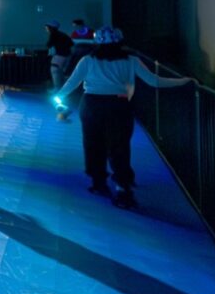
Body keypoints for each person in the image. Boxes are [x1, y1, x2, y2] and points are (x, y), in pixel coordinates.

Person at [53, 26, 193, 207]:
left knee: (93, 144)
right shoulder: (132, 61)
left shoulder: (87, 61)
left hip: (92, 105)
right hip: (119, 106)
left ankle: (98, 182)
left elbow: (72, 83)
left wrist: (59, 97)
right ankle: (122, 188)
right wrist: (184, 81)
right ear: (120, 42)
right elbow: (154, 81)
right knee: (119, 146)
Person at [45, 21, 74, 89]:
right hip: (68, 55)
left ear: (51, 28)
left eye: (47, 28)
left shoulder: (53, 34)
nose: (46, 29)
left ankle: (57, 89)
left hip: (60, 55)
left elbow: (48, 45)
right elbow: (71, 43)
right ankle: (65, 89)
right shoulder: (63, 34)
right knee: (64, 73)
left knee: (55, 70)